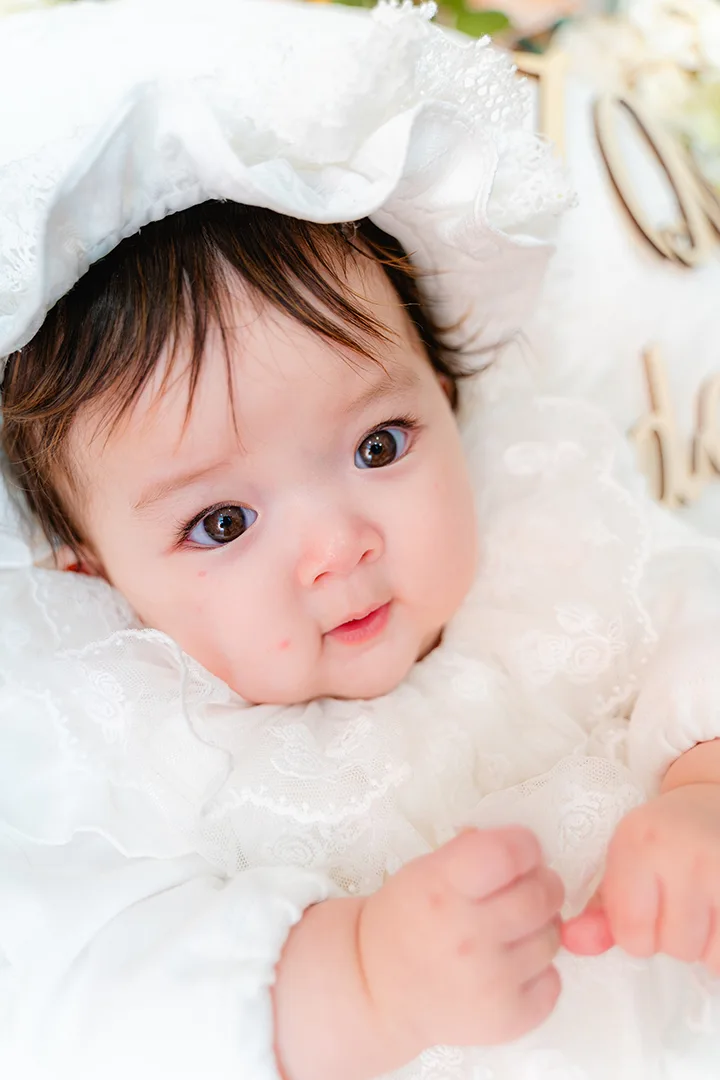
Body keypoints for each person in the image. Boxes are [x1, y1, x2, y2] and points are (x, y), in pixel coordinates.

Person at [2, 2, 720, 1079]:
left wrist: (704, 792)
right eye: (223, 522)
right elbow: (82, 1003)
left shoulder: (553, 541)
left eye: (380, 445)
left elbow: (695, 616)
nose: (338, 548)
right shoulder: (113, 745)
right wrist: (363, 983)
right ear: (95, 578)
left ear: (447, 395)